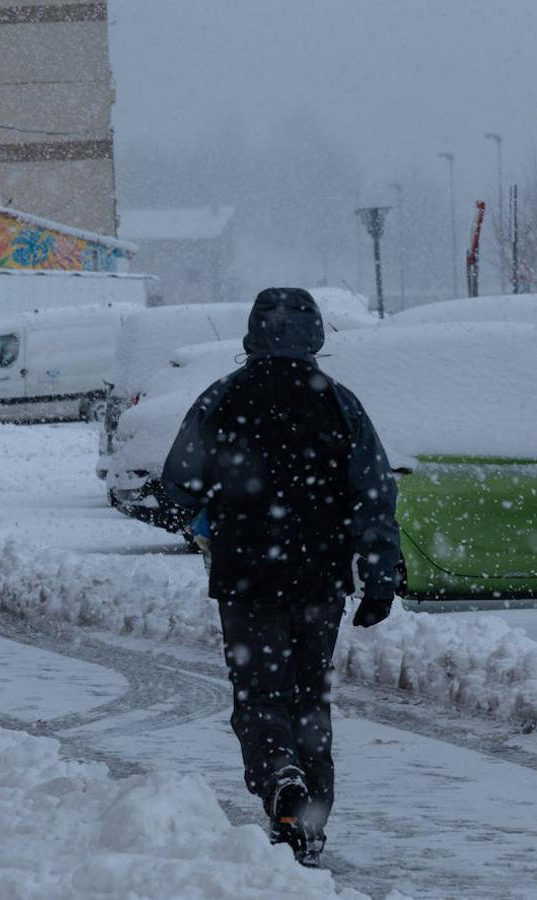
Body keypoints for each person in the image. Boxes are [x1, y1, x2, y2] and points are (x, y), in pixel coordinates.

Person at [161, 287, 401, 867]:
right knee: (309, 697)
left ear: (251, 334)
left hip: (246, 576)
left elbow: (177, 480)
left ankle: (279, 782)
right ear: (315, 336)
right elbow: (373, 492)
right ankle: (310, 816)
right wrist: (378, 573)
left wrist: (210, 512)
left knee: (260, 692)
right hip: (320, 579)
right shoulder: (338, 402)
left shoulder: (224, 396)